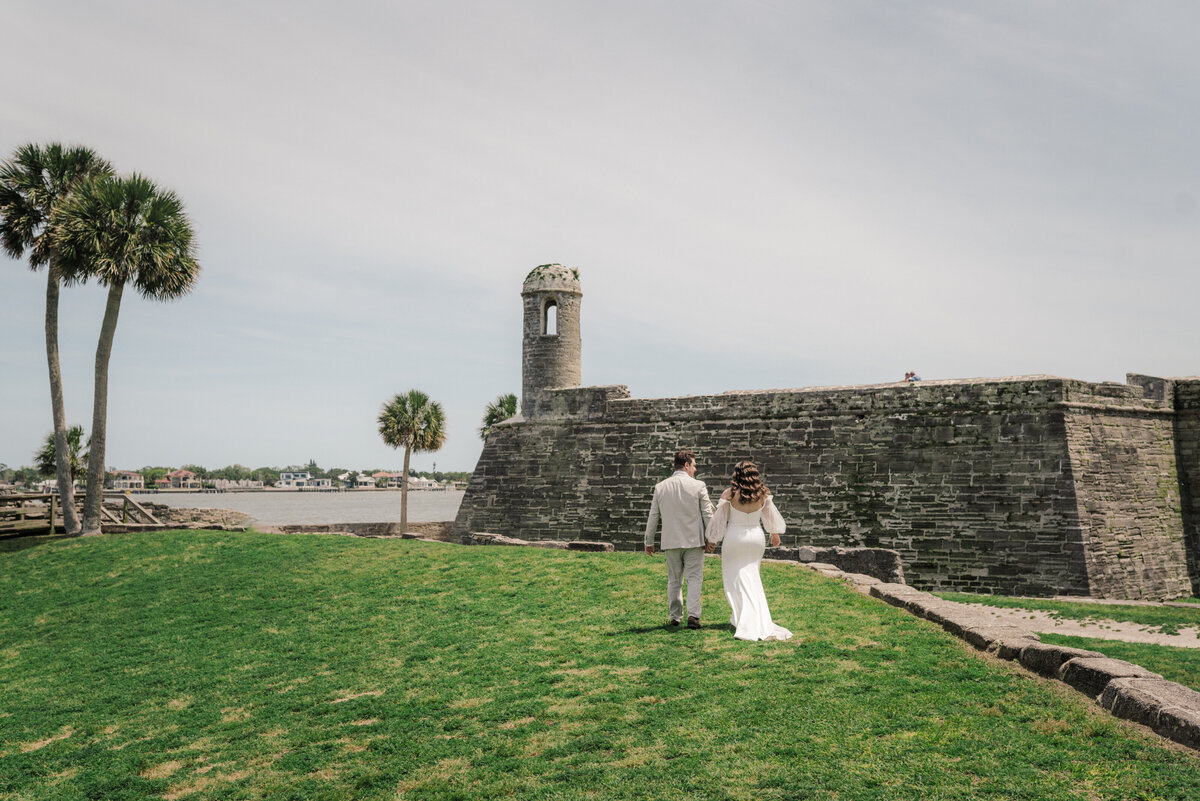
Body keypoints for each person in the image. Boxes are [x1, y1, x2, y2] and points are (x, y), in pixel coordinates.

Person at [705, 460, 793, 641]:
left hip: (735, 537)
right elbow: (769, 517)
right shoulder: (763, 493)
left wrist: (712, 539)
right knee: (752, 577)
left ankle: (745, 619)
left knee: (735, 579)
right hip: (756, 538)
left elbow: (719, 520)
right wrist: (774, 534)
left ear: (736, 474)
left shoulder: (729, 494)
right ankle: (746, 617)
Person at [645, 450, 715, 629]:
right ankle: (693, 616)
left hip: (671, 541)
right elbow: (708, 514)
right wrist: (712, 537)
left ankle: (675, 616)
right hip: (694, 541)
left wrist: (649, 541)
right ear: (686, 465)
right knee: (694, 578)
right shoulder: (698, 486)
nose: (695, 469)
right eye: (694, 466)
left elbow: (653, 516)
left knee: (674, 580)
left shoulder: (661, 487)